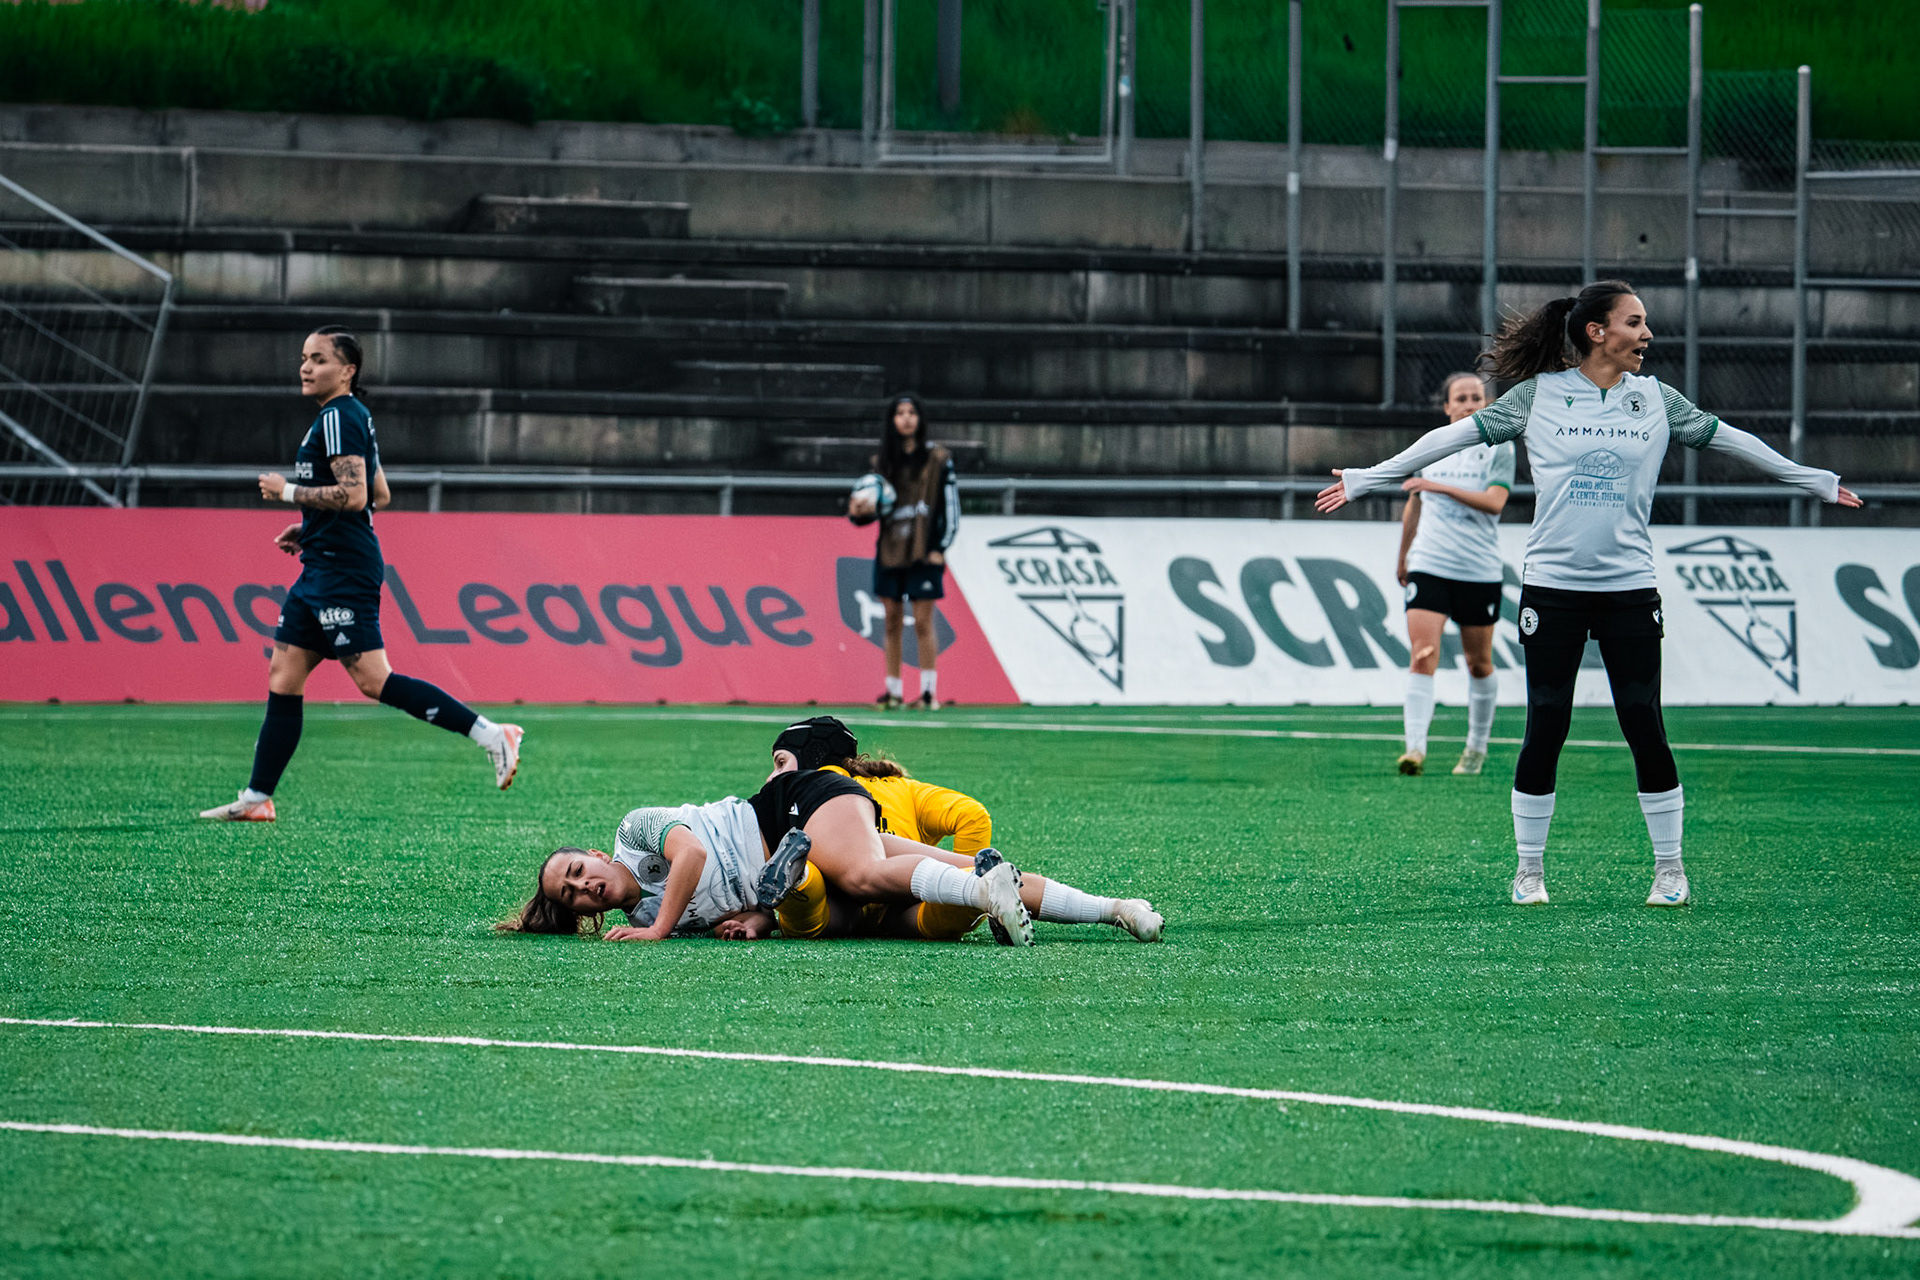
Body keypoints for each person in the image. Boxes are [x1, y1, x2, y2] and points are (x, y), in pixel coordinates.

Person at [1315, 280, 1859, 908]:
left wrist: (1812, 479)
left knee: (1644, 723)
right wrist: (1367, 478)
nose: (1647, 334)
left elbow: (1732, 437)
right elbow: (1447, 441)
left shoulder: (1656, 400)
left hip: (1629, 587)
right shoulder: (1537, 397)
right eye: (1635, 322)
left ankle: (1670, 871)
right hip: (1553, 589)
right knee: (1547, 724)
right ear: (1597, 332)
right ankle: (1529, 872)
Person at [198, 327, 522, 821]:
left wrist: (287, 492)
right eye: (304, 358)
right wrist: (310, 527)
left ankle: (491, 734)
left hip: (343, 570)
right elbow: (378, 494)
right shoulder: (347, 418)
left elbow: (353, 496)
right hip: (320, 565)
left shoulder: (339, 417)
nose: (306, 367)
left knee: (373, 681)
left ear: (347, 370)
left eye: (319, 359)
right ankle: (258, 798)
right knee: (284, 674)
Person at [499, 763, 1034, 944]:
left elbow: (691, 856)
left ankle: (983, 893)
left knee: (871, 878)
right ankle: (1111, 908)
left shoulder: (634, 831)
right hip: (795, 868)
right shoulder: (643, 913)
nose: (583, 888)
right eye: (572, 898)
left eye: (576, 872)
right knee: (959, 869)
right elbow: (742, 903)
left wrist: (658, 930)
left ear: (593, 854)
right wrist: (754, 922)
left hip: (785, 819)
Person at [756, 716, 1164, 944]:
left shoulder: (811, 797)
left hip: (855, 906)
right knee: (971, 875)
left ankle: (980, 896)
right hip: (911, 898)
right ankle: (1114, 909)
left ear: (810, 759)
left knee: (807, 888)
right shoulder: (902, 787)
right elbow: (972, 816)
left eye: (780, 762)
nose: (773, 776)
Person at [1393, 371, 1514, 777]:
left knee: (1478, 663)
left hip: (1477, 568)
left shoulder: (1499, 446)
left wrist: (1440, 487)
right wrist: (1404, 555)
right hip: (1430, 563)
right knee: (1422, 654)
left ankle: (1475, 749)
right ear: (1447, 407)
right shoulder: (1433, 447)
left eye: (1476, 398)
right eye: (1460, 398)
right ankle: (1415, 749)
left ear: (1486, 404)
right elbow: (1415, 503)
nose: (1468, 404)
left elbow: (1495, 502)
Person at [849, 393, 958, 711]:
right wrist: (858, 511)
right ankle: (893, 691)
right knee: (892, 621)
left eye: (912, 412)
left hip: (923, 551)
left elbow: (951, 506)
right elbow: (866, 511)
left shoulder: (939, 458)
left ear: (920, 419)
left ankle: (927, 693)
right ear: (892, 420)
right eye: (900, 413)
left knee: (924, 621)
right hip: (890, 550)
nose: (906, 418)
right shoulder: (881, 463)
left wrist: (941, 546)